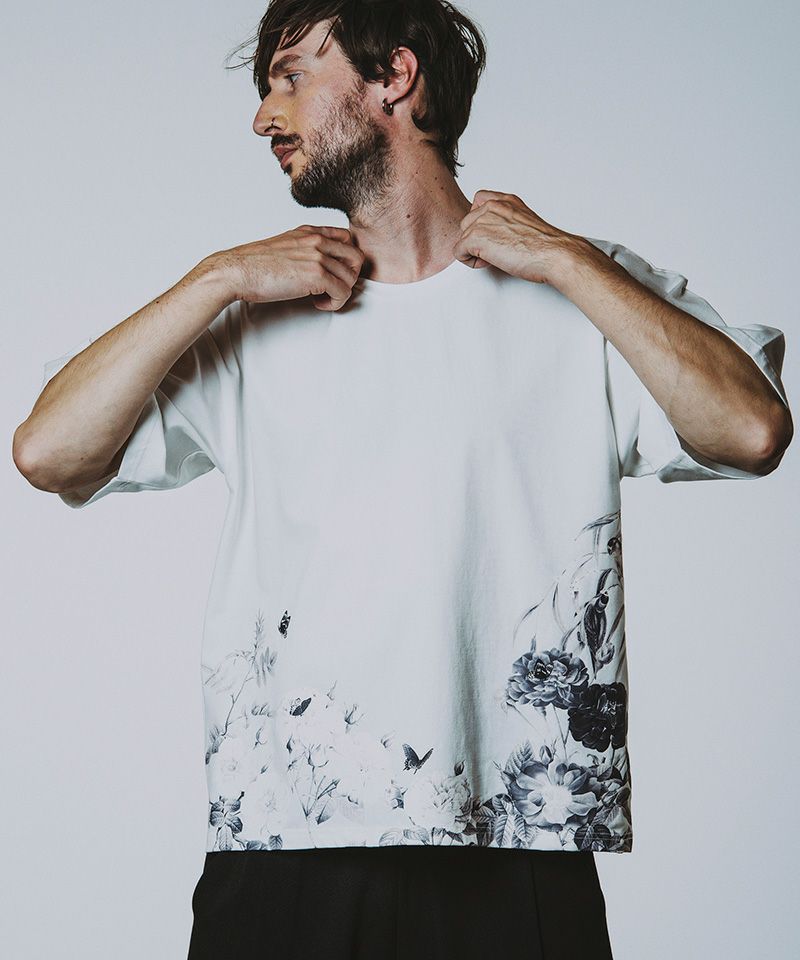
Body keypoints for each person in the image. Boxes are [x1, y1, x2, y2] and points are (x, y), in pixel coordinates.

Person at [13, 2, 792, 958]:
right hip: (286, 850)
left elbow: (752, 430)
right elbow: (49, 451)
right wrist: (215, 277)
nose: (264, 116)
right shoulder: (256, 312)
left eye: (292, 77)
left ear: (395, 78)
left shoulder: (584, 292)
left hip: (519, 852)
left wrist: (566, 259)